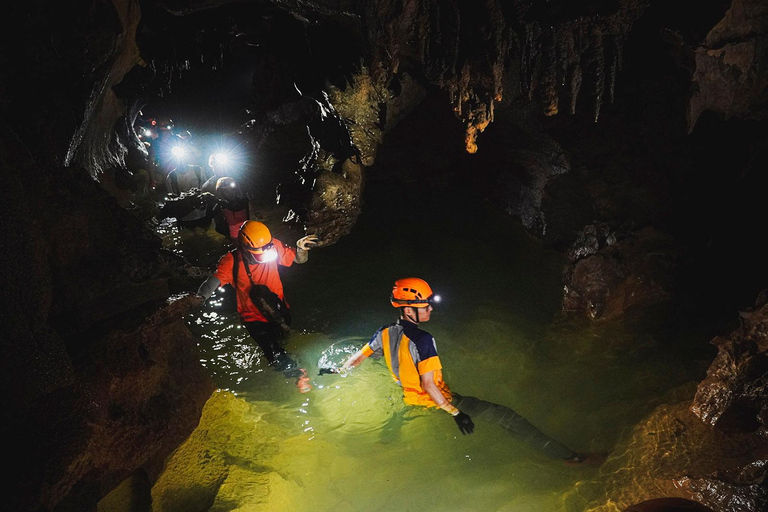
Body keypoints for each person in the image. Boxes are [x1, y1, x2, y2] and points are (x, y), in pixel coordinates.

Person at [339, 277, 601, 465]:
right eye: (425, 306)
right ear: (408, 309)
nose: (430, 308)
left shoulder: (384, 332)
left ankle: (386, 439)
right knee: (506, 416)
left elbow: (357, 360)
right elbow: (429, 386)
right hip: (437, 400)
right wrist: (456, 413)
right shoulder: (424, 340)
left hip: (408, 398)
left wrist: (338, 370)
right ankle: (572, 459)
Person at [196, 221, 319, 390]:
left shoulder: (272, 246)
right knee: (273, 353)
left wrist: (301, 248)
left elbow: (299, 259)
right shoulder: (231, 261)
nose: (265, 257)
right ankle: (297, 375)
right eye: (260, 255)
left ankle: (286, 357)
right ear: (245, 249)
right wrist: (199, 298)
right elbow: (212, 282)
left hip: (278, 309)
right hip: (253, 318)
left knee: (283, 340)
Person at [165, 162, 213, 229]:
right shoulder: (171, 177)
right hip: (185, 217)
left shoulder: (198, 170)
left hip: (202, 213)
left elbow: (206, 188)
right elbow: (172, 199)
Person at [210, 177, 250, 242]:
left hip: (250, 236)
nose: (229, 192)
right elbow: (218, 227)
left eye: (231, 189)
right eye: (225, 191)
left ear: (235, 190)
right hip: (234, 240)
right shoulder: (219, 208)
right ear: (222, 193)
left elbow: (256, 218)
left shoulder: (244, 202)